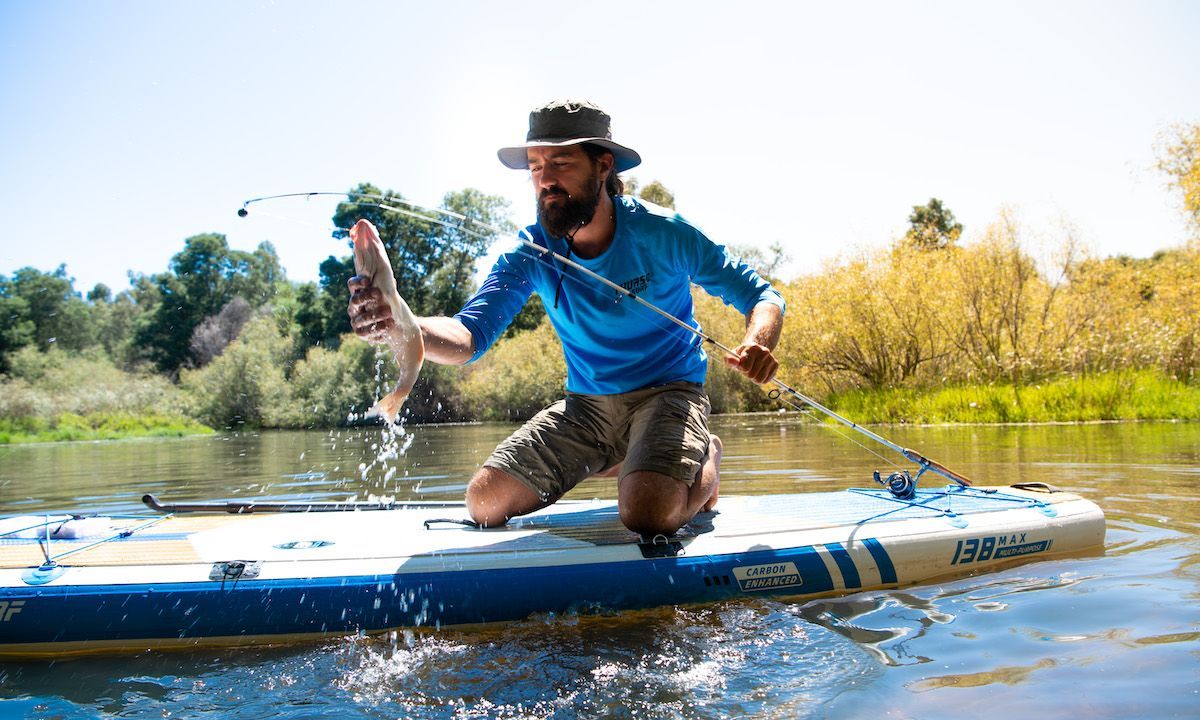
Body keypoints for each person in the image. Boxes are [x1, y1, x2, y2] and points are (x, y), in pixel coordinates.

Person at [348, 99, 785, 539]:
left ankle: (705, 454)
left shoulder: (663, 232)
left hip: (668, 395)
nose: (545, 180)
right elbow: (468, 336)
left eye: (560, 163)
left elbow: (761, 295)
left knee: (647, 515)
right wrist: (403, 323)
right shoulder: (530, 252)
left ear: (603, 166)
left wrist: (759, 341)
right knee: (483, 504)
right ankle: (630, 457)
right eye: (536, 167)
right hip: (586, 409)